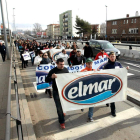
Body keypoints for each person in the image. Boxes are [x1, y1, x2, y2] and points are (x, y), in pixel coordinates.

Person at [103, 51, 129, 117]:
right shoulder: (106, 65)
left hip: (115, 83)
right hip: (108, 84)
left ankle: (112, 109)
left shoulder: (118, 63)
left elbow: (122, 70)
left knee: (113, 97)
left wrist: (126, 69)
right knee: (110, 96)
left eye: (114, 56)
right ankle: (110, 106)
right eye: (111, 56)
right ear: (109, 57)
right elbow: (103, 75)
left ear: (115, 57)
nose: (113, 58)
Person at [45, 58, 69, 129]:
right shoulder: (53, 71)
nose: (62, 66)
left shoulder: (65, 70)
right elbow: (46, 80)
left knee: (64, 104)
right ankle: (62, 122)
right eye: (61, 64)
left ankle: (62, 112)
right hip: (56, 91)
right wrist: (51, 77)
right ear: (57, 64)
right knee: (59, 108)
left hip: (64, 91)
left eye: (63, 64)